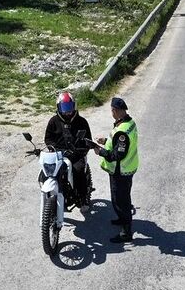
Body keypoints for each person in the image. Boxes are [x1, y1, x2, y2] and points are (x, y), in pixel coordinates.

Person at [91, 97, 139, 244]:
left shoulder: (122, 131)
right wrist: (105, 141)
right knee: (120, 199)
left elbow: (117, 155)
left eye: (112, 110)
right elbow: (119, 145)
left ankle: (126, 233)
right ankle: (121, 219)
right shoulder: (129, 123)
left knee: (121, 201)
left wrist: (101, 152)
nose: (111, 113)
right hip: (127, 168)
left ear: (115, 111)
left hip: (121, 171)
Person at [44, 91, 93, 211]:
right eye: (64, 108)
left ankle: (83, 198)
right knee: (48, 171)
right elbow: (48, 138)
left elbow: (88, 140)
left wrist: (81, 150)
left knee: (79, 170)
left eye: (69, 107)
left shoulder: (81, 122)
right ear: (59, 107)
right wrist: (52, 147)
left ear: (74, 106)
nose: (67, 111)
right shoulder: (53, 121)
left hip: (76, 154)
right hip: (59, 154)